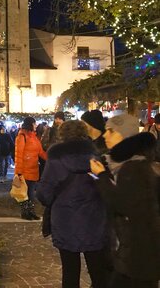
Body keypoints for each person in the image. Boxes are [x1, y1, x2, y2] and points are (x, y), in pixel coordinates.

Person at [90, 114, 160, 288]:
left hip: (138, 259)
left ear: (125, 135)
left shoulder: (133, 168)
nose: (105, 135)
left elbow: (120, 204)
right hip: (139, 257)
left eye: (111, 131)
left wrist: (102, 176)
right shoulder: (135, 163)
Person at [37, 120, 109, 288]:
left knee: (70, 271)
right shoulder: (95, 153)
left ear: (62, 134)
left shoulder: (55, 156)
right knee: (98, 271)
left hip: (65, 220)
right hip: (94, 219)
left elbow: (45, 193)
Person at [14, 116, 47, 220]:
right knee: (24, 194)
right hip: (24, 171)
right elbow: (18, 155)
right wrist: (18, 172)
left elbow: (40, 152)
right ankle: (25, 213)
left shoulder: (34, 137)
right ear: (30, 124)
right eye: (34, 123)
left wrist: (51, 158)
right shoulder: (22, 136)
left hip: (33, 169)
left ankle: (31, 212)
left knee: (31, 194)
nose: (36, 125)